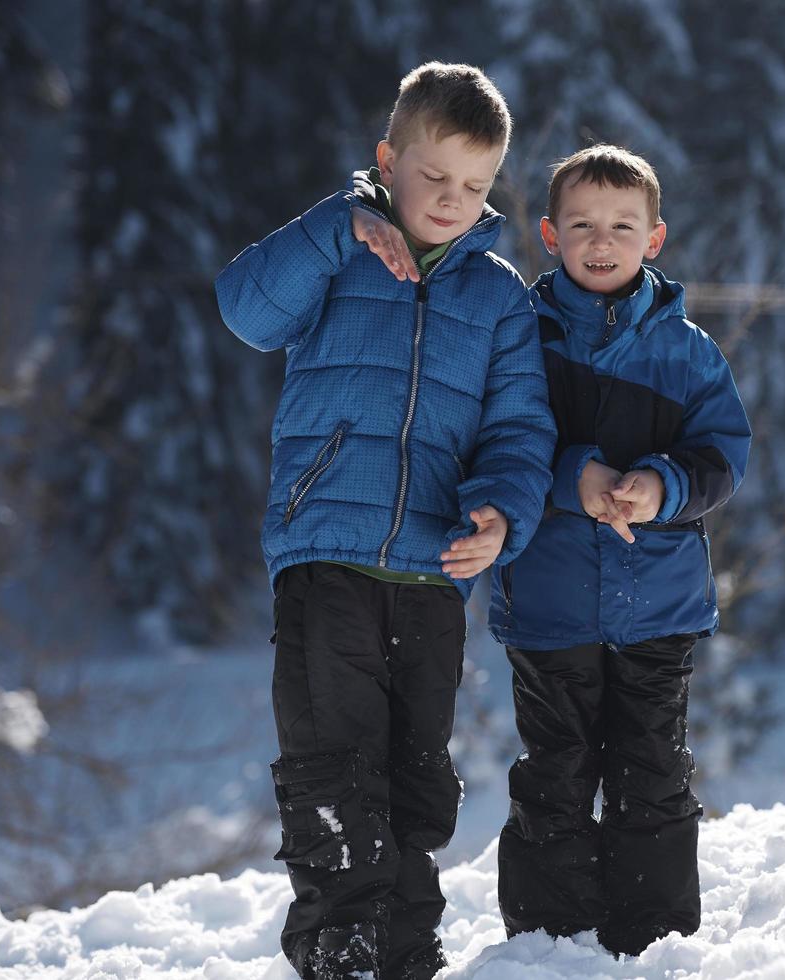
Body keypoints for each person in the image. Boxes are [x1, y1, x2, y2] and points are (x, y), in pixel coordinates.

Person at [213, 62, 553, 980]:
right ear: (388, 160)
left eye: (474, 186)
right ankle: (340, 951)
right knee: (334, 765)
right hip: (326, 552)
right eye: (432, 176)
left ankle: (406, 952)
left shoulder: (498, 297)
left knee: (414, 782)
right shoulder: (338, 248)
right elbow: (245, 309)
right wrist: (335, 227)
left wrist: (502, 513)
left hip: (432, 571)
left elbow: (519, 429)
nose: (450, 200)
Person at [487, 144, 752, 956]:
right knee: (557, 767)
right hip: (549, 601)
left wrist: (662, 486)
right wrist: (579, 478)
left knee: (650, 768)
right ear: (548, 234)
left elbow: (723, 460)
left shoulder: (687, 353)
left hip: (657, 604)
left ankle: (652, 935)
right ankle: (549, 939)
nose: (601, 240)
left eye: (621, 226)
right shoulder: (517, 339)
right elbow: (494, 449)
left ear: (655, 238)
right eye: (582, 225)